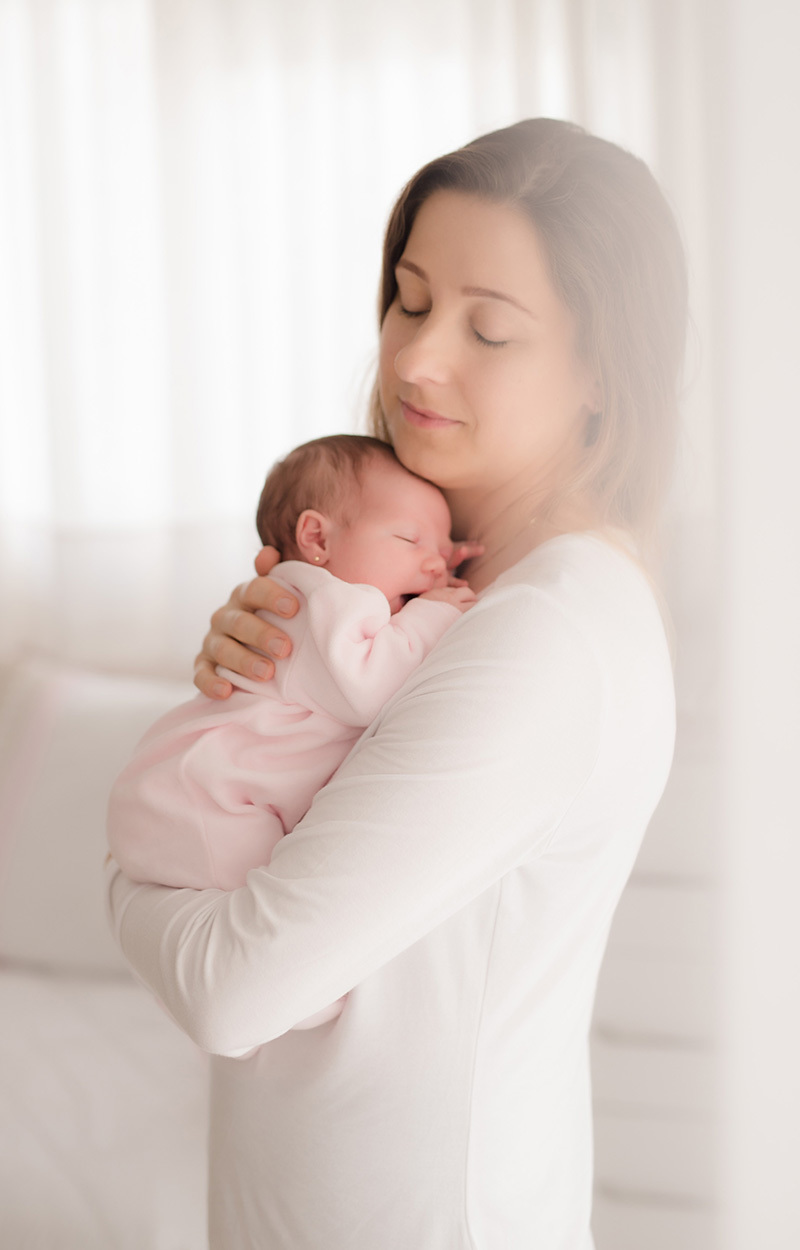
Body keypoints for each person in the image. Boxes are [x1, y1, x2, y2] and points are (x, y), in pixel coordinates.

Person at [106, 118, 688, 1248]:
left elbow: (234, 990)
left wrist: (127, 864)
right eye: (411, 300)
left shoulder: (544, 634)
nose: (417, 358)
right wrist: (255, 703)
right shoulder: (431, 599)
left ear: (600, 371)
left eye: (489, 328)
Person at [107, 435, 474, 1028]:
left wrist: (432, 563)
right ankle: (299, 1004)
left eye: (448, 551)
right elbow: (367, 687)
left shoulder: (320, 600)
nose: (435, 564)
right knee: (268, 943)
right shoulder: (326, 600)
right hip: (209, 798)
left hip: (195, 789)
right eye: (411, 540)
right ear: (317, 539)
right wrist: (438, 612)